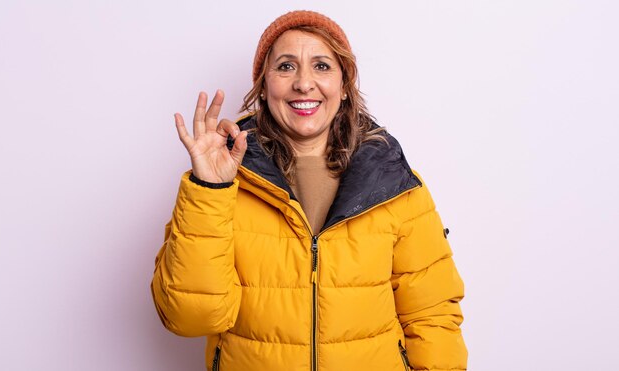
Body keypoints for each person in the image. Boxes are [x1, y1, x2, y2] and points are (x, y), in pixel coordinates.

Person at [151, 10, 467, 371]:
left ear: (345, 86)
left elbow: (433, 316)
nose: (303, 83)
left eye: (322, 66)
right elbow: (191, 318)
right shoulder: (222, 181)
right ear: (264, 87)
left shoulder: (395, 184)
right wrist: (209, 188)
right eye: (286, 67)